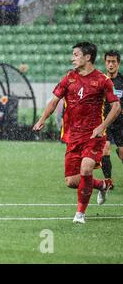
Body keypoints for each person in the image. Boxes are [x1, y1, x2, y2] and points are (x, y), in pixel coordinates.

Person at [33, 42, 121, 224]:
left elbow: (116, 107)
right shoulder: (69, 78)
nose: (72, 58)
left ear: (87, 57)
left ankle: (80, 214)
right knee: (72, 181)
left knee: (86, 168)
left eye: (75, 54)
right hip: (73, 137)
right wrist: (42, 119)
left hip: (93, 136)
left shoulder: (102, 80)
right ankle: (102, 185)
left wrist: (102, 126)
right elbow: (54, 101)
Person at [101, 50, 123, 188]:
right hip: (105, 122)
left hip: (121, 122)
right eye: (108, 61)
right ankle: (108, 181)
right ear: (105, 63)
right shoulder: (101, 81)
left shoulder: (122, 81)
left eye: (113, 61)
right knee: (105, 148)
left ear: (118, 63)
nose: (110, 64)